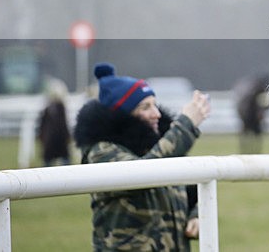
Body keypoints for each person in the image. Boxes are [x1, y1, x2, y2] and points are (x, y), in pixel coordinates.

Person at [73, 62, 211, 251]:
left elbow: (187, 192)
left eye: (155, 105)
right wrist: (185, 126)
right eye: (145, 107)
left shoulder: (157, 148)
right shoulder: (101, 152)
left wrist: (195, 215)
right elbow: (145, 173)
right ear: (123, 116)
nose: (157, 114)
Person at [37, 78, 71, 166]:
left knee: (47, 167)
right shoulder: (60, 108)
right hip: (58, 141)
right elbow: (64, 126)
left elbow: (41, 127)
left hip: (51, 142)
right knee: (66, 165)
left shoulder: (48, 109)